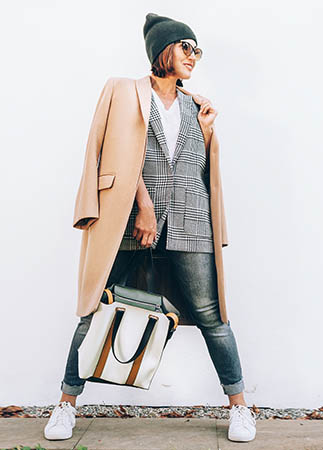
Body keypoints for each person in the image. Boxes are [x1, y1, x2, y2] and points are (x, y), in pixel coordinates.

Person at [44, 13, 256, 443]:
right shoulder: (122, 90)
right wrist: (142, 204)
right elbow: (114, 153)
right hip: (129, 215)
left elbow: (198, 170)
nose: (193, 57)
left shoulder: (200, 106)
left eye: (197, 50)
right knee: (96, 308)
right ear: (163, 50)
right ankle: (66, 404)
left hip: (191, 218)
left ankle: (240, 409)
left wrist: (209, 133)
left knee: (213, 315)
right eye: (186, 47)